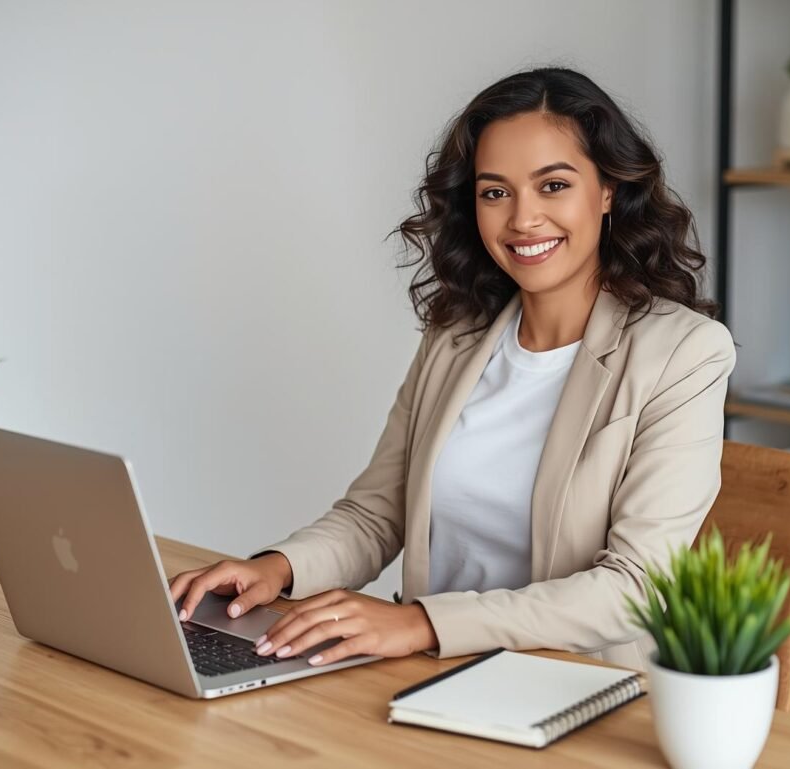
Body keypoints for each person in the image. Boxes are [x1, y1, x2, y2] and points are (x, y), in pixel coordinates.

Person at [169, 67, 735, 671]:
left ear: (607, 193)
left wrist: (421, 623)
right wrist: (275, 569)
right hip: (422, 669)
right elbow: (376, 512)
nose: (522, 219)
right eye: (495, 192)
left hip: (569, 684)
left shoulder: (684, 354)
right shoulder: (456, 335)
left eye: (553, 185)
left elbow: (636, 588)